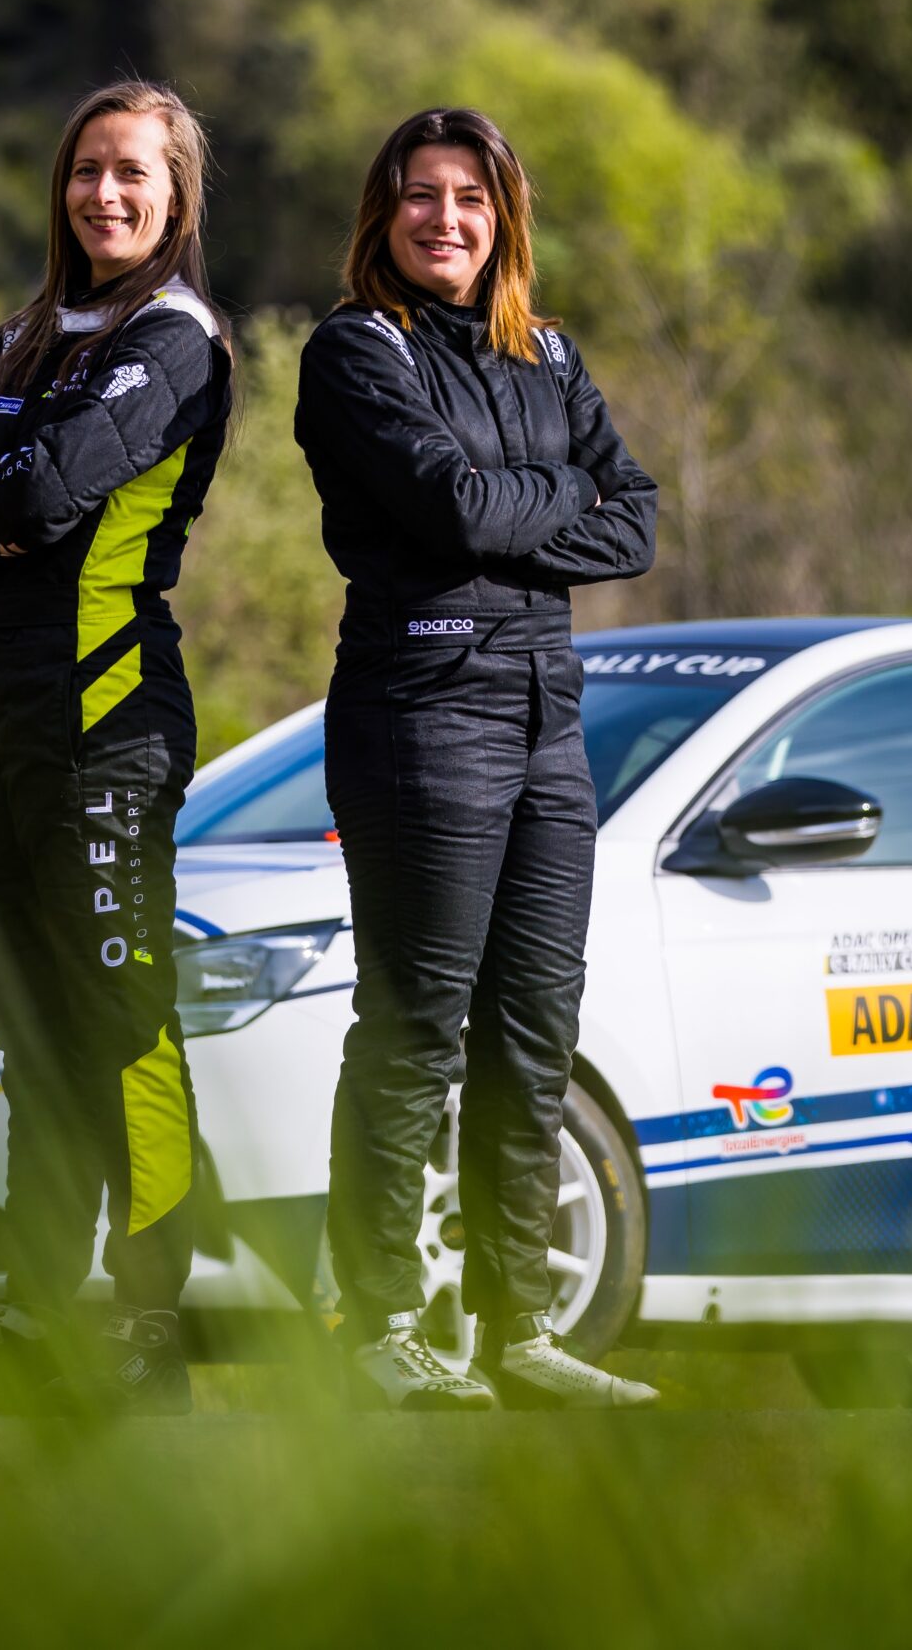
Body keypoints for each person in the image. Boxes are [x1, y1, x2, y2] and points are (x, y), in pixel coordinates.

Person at [296, 107, 659, 1410]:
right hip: (418, 713)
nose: (444, 218)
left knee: (532, 1034)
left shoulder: (546, 354)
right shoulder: (355, 352)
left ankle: (518, 1334)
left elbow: (641, 519)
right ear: (382, 215)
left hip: (546, 725)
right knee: (415, 1028)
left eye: (469, 197)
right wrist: (552, 498)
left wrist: (513, 507)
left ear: (504, 216)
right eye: (419, 195)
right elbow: (451, 504)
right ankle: (380, 1324)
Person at [0, 79, 233, 1413]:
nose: (106, 193)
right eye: (88, 169)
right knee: (30, 1026)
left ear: (176, 193)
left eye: (133, 173)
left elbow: (43, 488)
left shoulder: (180, 332)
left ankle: (159, 1320)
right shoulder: (22, 334)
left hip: (106, 709)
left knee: (121, 1015)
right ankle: (40, 1311)